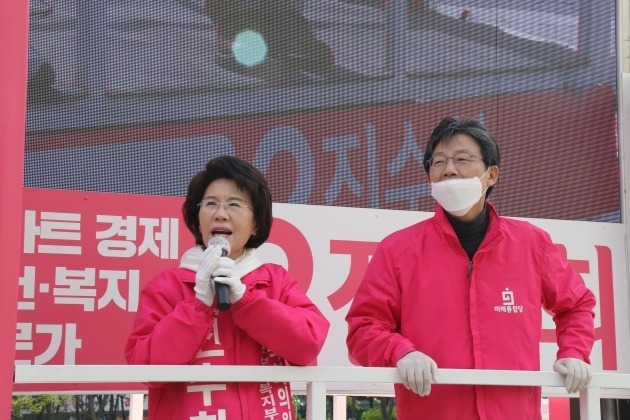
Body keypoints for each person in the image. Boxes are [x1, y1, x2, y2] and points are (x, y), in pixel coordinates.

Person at [345, 116, 596, 420]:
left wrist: (573, 352)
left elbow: (576, 305)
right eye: (438, 161)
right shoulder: (398, 250)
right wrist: (400, 352)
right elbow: (363, 329)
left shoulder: (531, 244)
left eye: (462, 159)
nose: (449, 168)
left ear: (492, 175)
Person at [125, 155, 330, 419]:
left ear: (256, 224)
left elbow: (308, 343)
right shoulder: (167, 286)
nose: (220, 214)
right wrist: (198, 304)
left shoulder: (275, 281)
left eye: (234, 204)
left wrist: (247, 301)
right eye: (210, 204)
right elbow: (145, 367)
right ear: (197, 218)